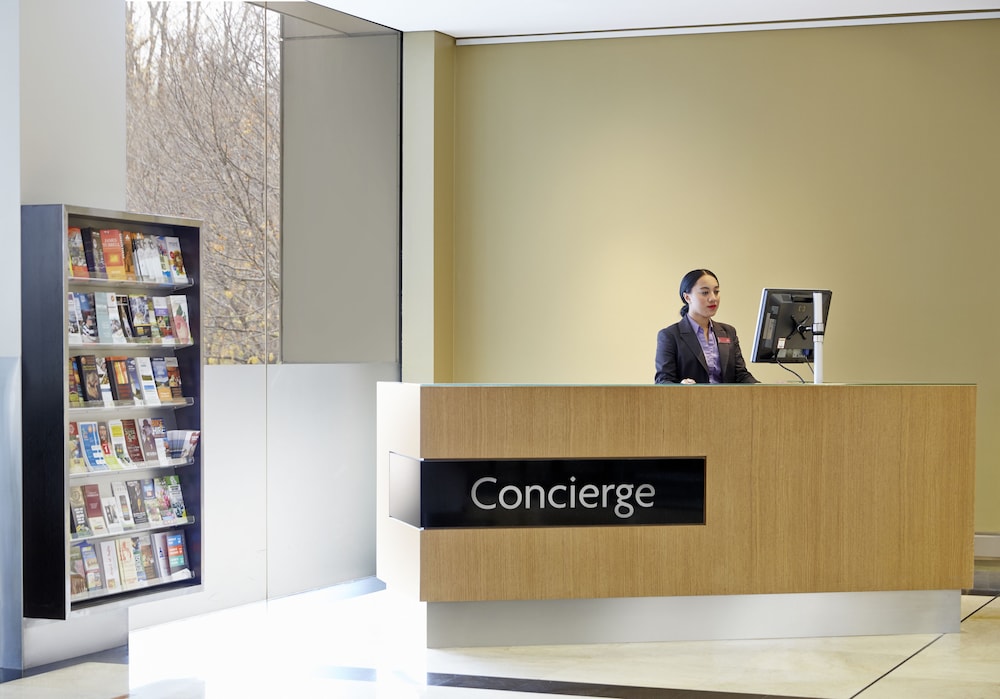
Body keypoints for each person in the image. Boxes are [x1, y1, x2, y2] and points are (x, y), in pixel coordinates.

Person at [654, 269, 758, 385]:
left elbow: (740, 375)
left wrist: (763, 388)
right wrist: (681, 387)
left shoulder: (728, 332)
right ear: (687, 298)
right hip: (690, 401)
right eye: (705, 293)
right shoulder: (670, 335)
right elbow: (663, 380)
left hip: (727, 401)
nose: (713, 298)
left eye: (716, 291)